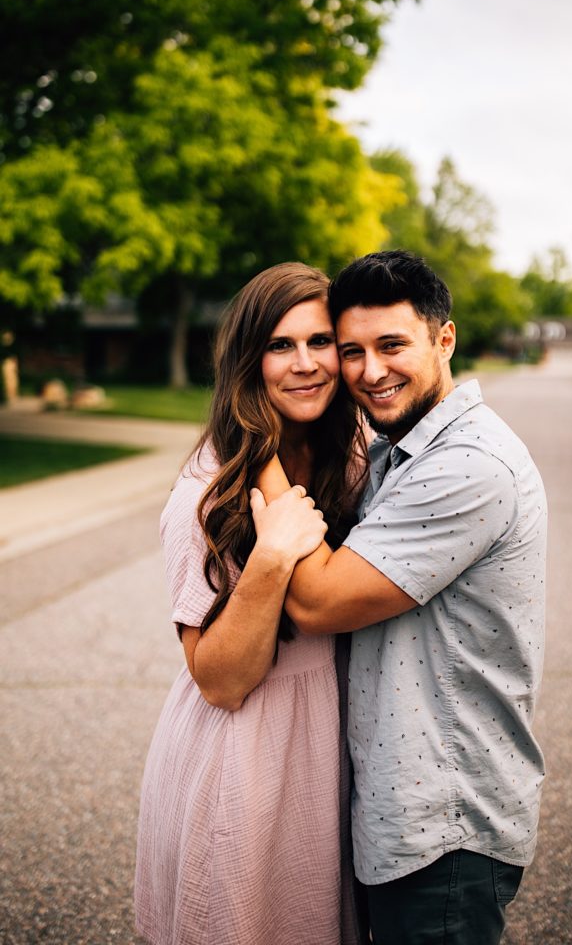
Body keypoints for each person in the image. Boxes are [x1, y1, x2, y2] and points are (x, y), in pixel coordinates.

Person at [256, 250, 547, 945]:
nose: (367, 371)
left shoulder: (467, 465)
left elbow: (320, 602)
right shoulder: (401, 446)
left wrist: (256, 449)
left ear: (443, 339)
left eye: (391, 345)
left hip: (442, 827)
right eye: (350, 351)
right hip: (398, 815)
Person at [135, 262, 368, 945]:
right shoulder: (204, 496)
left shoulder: (348, 458)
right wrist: (270, 558)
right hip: (242, 759)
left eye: (319, 342)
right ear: (247, 360)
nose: (304, 364)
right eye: (278, 345)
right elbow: (219, 679)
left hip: (329, 749)